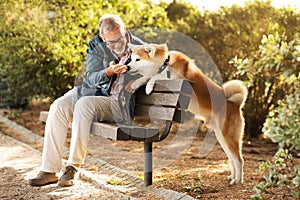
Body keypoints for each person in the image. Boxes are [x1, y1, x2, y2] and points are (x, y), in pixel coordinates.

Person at [28, 14, 144, 187]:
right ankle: (49, 170)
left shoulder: (140, 47)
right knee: (58, 106)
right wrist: (108, 72)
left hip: (115, 103)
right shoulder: (96, 45)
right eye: (111, 42)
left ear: (125, 30)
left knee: (84, 104)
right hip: (91, 92)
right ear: (103, 38)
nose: (117, 44)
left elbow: (161, 64)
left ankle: (73, 167)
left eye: (119, 39)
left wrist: (138, 80)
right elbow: (89, 78)